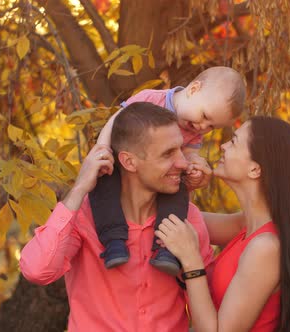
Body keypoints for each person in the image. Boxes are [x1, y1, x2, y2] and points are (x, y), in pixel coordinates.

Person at [19, 102, 214, 331]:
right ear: (129, 161)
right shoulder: (83, 217)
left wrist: (191, 260)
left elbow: (207, 319)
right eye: (168, 154)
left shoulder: (187, 218)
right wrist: (80, 187)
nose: (183, 162)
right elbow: (37, 271)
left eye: (181, 149)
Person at [156, 117, 290, 331]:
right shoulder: (246, 225)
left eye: (233, 141)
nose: (222, 145)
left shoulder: (265, 247)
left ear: (255, 170)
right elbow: (177, 220)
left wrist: (191, 261)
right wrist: (188, 184)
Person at [91, 66, 246, 275]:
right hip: (120, 165)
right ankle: (113, 242)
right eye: (204, 116)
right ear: (193, 90)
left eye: (211, 126)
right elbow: (115, 122)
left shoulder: (194, 131)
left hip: (157, 180)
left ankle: (165, 248)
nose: (202, 127)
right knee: (103, 188)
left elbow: (189, 155)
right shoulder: (151, 99)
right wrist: (102, 151)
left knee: (177, 194)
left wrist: (194, 166)